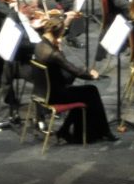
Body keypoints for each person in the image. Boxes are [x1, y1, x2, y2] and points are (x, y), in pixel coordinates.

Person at [32, 12, 109, 143]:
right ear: (58, 33)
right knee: (91, 91)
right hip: (55, 95)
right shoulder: (54, 54)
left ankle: (66, 130)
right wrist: (90, 75)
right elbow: (73, 71)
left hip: (41, 92)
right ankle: (100, 132)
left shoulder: (39, 45)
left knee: (85, 94)